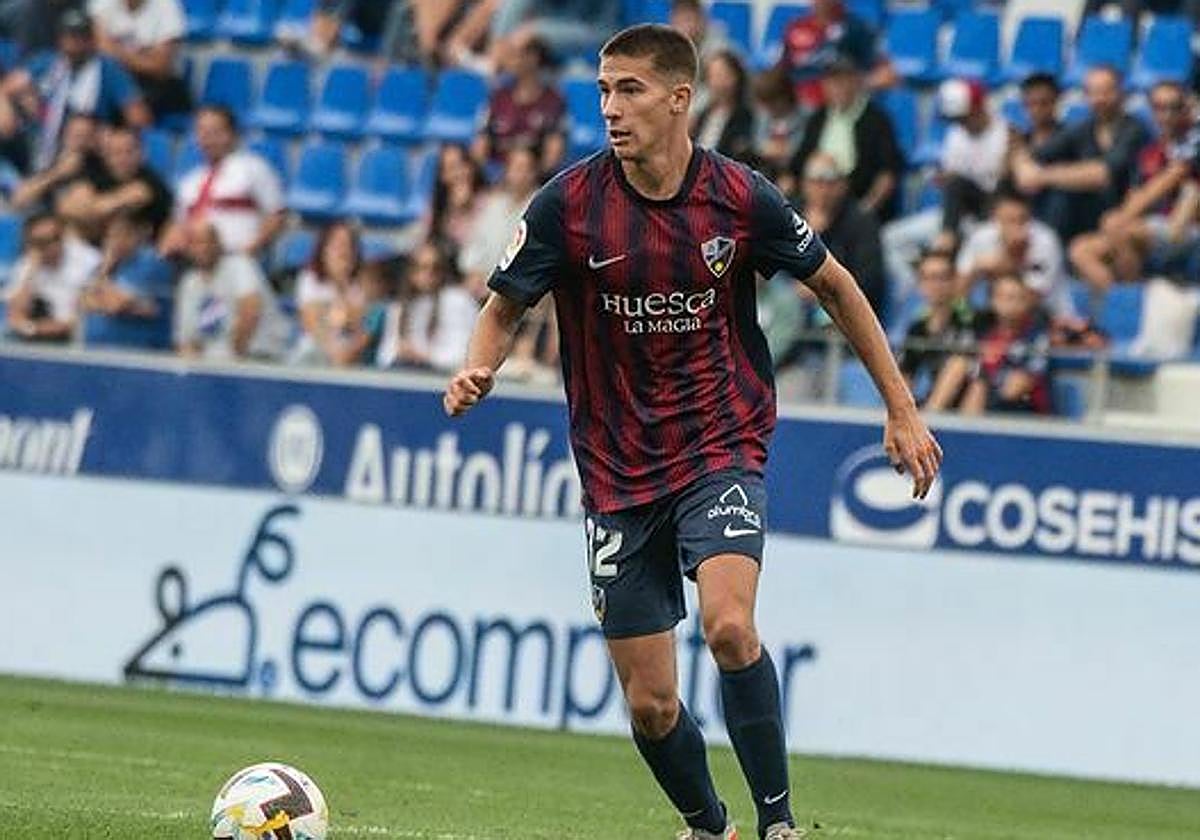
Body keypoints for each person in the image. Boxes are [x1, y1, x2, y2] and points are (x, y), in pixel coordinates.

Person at [443, 24, 941, 840]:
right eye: (603, 91)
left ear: (680, 98)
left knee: (730, 627)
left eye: (629, 90)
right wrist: (478, 366)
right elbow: (503, 309)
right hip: (615, 468)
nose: (610, 108)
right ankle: (710, 826)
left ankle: (779, 824)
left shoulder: (740, 197)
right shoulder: (568, 205)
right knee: (650, 703)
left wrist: (902, 407)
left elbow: (837, 286)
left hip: (720, 443)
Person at [881, 78, 1011, 301]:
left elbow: (1000, 191)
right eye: (956, 118)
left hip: (989, 221)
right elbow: (952, 182)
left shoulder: (1005, 136)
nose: (961, 123)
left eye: (964, 116)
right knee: (891, 238)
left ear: (979, 108)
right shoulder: (957, 134)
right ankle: (916, 296)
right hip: (955, 216)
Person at [1069, 81, 1196, 293]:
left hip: (1185, 226)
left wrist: (1121, 219)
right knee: (1081, 250)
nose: (1166, 115)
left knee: (1116, 227)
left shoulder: (1193, 141)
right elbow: (1135, 194)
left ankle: (1134, 298)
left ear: (1186, 108)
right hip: (1151, 227)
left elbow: (1173, 176)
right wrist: (1122, 218)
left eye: (1174, 107)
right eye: (1159, 107)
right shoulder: (1150, 151)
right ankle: (1122, 303)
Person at [1011, 65, 1149, 243]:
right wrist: (1022, 164)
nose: (1099, 99)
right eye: (1093, 93)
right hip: (1088, 213)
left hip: (1123, 212)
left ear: (1121, 93)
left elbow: (1102, 174)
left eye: (1106, 92)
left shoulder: (1134, 130)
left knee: (1060, 193)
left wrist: (1042, 176)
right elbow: (1038, 153)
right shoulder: (1084, 128)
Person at [14, 9, 150, 171]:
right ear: (60, 38)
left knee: (80, 132)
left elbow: (139, 118)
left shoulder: (107, 69)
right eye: (69, 36)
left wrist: (107, 134)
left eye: (81, 37)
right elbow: (9, 87)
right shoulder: (47, 62)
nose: (74, 42)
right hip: (37, 138)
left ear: (91, 40)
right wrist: (25, 99)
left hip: (85, 152)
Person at [789, 52, 903, 223]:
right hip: (814, 200)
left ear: (856, 81)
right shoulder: (818, 118)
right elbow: (799, 162)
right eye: (831, 81)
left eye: (842, 81)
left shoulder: (876, 120)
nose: (837, 87)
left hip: (855, 203)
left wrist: (866, 211)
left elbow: (888, 172)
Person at [160, 105, 286, 258]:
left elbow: (277, 217)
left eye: (215, 131)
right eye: (202, 131)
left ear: (233, 134)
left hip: (241, 258)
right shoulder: (189, 181)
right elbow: (177, 224)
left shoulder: (254, 168)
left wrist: (248, 252)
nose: (208, 138)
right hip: (195, 262)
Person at [928, 273, 1052, 415]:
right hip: (975, 396)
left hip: (1019, 407)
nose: (1009, 304)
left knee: (979, 386)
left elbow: (1017, 387)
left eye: (1015, 297)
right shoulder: (982, 328)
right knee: (958, 363)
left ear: (1028, 301)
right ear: (992, 300)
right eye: (1003, 297)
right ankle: (929, 417)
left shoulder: (1036, 336)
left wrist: (983, 379)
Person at [173, 218, 288, 360]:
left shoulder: (240, 265)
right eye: (194, 243)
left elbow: (250, 311)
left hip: (260, 355)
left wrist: (232, 358)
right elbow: (185, 339)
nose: (202, 248)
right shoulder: (189, 282)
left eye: (206, 241)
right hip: (213, 364)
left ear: (218, 243)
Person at [956, 189, 1075, 319]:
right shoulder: (981, 236)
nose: (1016, 226)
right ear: (995, 218)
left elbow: (1033, 297)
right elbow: (958, 290)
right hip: (995, 314)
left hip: (1048, 314)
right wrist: (975, 270)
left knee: (1011, 299)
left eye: (1022, 219)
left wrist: (1009, 259)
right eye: (1010, 220)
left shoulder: (1045, 240)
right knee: (961, 311)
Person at [798, 152, 884, 317]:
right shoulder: (790, 214)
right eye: (817, 181)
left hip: (840, 305)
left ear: (843, 185)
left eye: (830, 182)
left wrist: (822, 288)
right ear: (805, 184)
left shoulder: (861, 221)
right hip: (790, 304)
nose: (824, 190)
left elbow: (869, 279)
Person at [57, 122, 173, 243]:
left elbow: (101, 210)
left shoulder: (150, 184)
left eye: (129, 151)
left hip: (140, 248)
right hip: (93, 242)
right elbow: (64, 208)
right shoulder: (98, 172)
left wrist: (87, 207)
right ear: (107, 156)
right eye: (116, 152)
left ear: (142, 153)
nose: (123, 158)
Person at [472, 35, 566, 174]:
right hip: (498, 175)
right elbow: (481, 141)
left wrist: (535, 178)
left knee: (522, 160)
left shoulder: (553, 100)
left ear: (532, 58)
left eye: (515, 54)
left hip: (534, 177)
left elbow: (554, 150)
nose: (509, 59)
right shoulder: (498, 96)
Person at [777, 0, 895, 111]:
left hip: (838, 99)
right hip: (798, 99)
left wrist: (856, 85)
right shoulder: (796, 26)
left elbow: (879, 71)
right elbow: (783, 67)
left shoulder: (856, 27)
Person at [78, 209, 172, 347]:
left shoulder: (151, 262)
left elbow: (116, 305)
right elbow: (83, 301)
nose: (115, 242)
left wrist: (101, 296)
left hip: (138, 352)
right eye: (111, 236)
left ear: (137, 235)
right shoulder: (106, 264)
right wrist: (105, 270)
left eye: (122, 234)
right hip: (98, 350)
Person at [4, 211, 100, 341]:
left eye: (56, 238)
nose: (53, 245)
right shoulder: (26, 266)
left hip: (77, 339)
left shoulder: (88, 260)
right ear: (30, 244)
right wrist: (32, 272)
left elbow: (84, 319)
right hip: (36, 338)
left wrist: (33, 328)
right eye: (42, 242)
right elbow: (14, 315)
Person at [88, 0, 190, 120]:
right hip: (116, 82)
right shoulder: (102, 4)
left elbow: (160, 66)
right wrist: (143, 55)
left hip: (159, 87)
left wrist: (115, 49)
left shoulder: (167, 6)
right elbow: (101, 48)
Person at [899, 249, 977, 405]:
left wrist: (930, 413)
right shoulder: (918, 327)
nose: (934, 285)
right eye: (927, 278)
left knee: (958, 363)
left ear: (954, 281)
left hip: (968, 407)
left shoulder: (969, 319)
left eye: (941, 278)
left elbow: (961, 367)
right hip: (933, 402)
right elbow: (905, 373)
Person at [392, 240, 478, 372]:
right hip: (406, 372)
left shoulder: (457, 301)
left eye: (435, 268)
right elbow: (385, 354)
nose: (427, 275)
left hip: (444, 375)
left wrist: (425, 357)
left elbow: (463, 354)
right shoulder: (400, 306)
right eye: (420, 268)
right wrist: (404, 353)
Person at [290, 221, 363, 365]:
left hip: (348, 352)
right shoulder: (309, 280)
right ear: (324, 249)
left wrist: (341, 283)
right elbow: (312, 323)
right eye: (337, 245)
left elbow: (359, 327)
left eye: (348, 245)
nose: (343, 251)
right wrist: (332, 351)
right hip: (315, 349)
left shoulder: (359, 286)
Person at [691, 49, 754, 162]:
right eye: (711, 76)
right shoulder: (704, 114)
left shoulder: (745, 116)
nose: (714, 82)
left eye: (720, 75)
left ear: (735, 77)